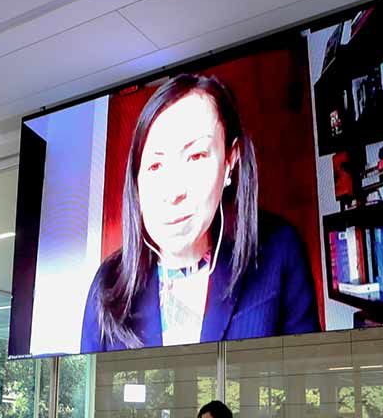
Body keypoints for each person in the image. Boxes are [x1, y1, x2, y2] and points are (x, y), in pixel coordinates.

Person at [81, 73, 320, 353]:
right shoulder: (108, 283)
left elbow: (306, 382)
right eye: (155, 167)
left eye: (195, 156)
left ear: (230, 160)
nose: (172, 192)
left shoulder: (279, 250)